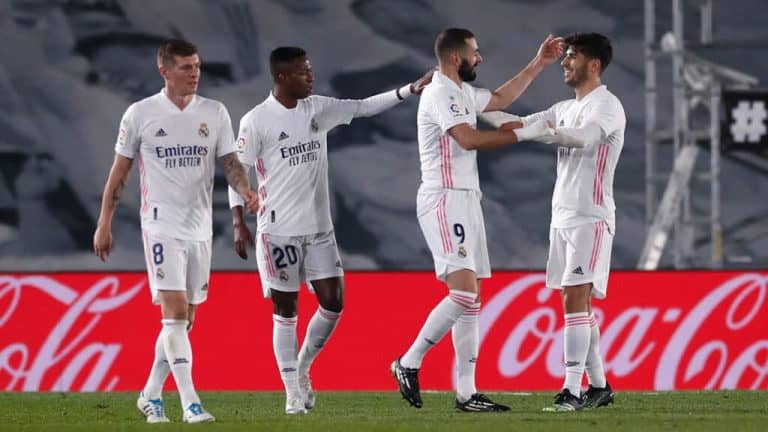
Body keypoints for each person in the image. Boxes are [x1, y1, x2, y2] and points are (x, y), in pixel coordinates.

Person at [228, 46, 432, 415]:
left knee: (334, 303)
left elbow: (363, 106)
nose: (311, 76)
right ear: (282, 77)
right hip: (279, 231)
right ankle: (292, 392)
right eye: (302, 72)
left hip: (320, 229)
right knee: (285, 311)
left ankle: (302, 367)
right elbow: (237, 171)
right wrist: (239, 220)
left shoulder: (317, 108)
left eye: (310, 69)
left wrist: (409, 90)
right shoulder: (256, 121)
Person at [389, 28, 563, 412]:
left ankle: (466, 393)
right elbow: (467, 139)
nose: (479, 58)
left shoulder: (462, 92)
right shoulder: (439, 93)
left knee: (472, 301)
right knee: (464, 294)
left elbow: (500, 98)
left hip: (467, 199)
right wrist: (523, 136)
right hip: (444, 199)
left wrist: (540, 63)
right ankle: (409, 361)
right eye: (475, 52)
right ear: (456, 58)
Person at [93, 39, 258, 424]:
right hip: (160, 224)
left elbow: (230, 163)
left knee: (186, 320)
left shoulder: (214, 112)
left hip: (199, 227)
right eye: (186, 67)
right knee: (175, 314)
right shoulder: (140, 114)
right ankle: (190, 403)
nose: (194, 73)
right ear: (164, 70)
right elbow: (120, 172)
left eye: (197, 66)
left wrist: (246, 189)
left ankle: (150, 394)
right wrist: (104, 222)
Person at [491, 32, 624, 411]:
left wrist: (542, 132)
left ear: (593, 64)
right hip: (563, 217)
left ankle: (572, 389)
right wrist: (467, 102)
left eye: (572, 56)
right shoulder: (563, 107)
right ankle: (599, 386)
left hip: (591, 216)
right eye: (565, 56)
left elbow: (584, 138)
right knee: (575, 300)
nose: (564, 62)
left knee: (574, 298)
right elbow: (513, 124)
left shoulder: (607, 105)